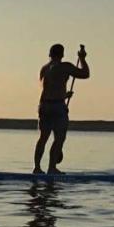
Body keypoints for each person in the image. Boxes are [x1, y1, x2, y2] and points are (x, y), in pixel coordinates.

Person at [34, 43, 89, 174]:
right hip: (57, 107)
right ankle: (52, 168)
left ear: (50, 54)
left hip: (44, 106)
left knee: (43, 138)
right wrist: (82, 58)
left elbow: (50, 89)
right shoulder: (65, 67)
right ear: (62, 55)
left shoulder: (44, 69)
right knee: (59, 138)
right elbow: (85, 74)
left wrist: (64, 95)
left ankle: (37, 168)